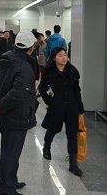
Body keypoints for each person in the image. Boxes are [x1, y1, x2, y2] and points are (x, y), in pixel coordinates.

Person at [0, 31, 37, 195]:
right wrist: (0, 105)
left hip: (5, 115)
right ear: (30, 49)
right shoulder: (25, 66)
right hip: (16, 115)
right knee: (11, 152)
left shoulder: (7, 58)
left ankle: (11, 180)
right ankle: (6, 188)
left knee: (10, 150)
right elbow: (18, 93)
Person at [39, 47, 85, 177]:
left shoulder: (72, 71)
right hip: (56, 106)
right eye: (60, 55)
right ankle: (46, 146)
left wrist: (80, 108)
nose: (64, 58)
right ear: (54, 58)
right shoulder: (49, 72)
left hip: (72, 107)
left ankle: (73, 163)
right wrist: (51, 102)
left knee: (72, 134)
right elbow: (42, 90)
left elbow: (77, 91)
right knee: (53, 129)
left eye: (65, 55)